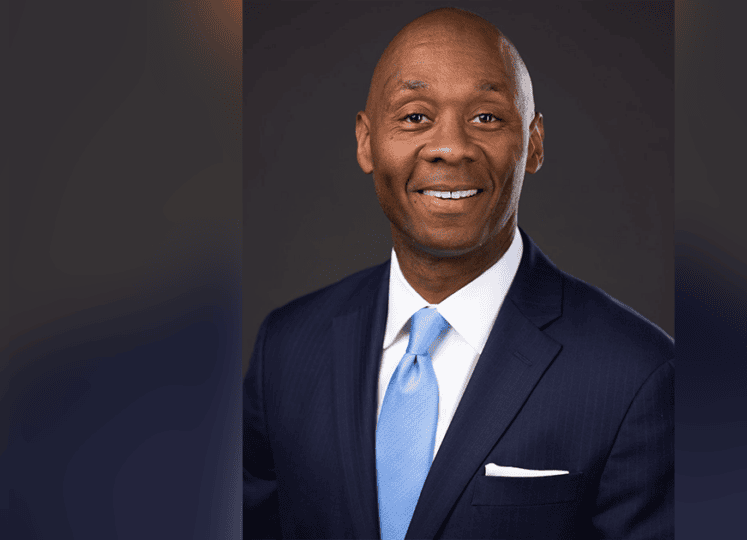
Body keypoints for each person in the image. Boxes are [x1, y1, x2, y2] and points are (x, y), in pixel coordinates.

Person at [243, 7, 673, 539]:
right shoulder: (284, 349)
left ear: (534, 143)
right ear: (366, 140)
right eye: (415, 116)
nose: (450, 148)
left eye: (487, 117)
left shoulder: (636, 374)